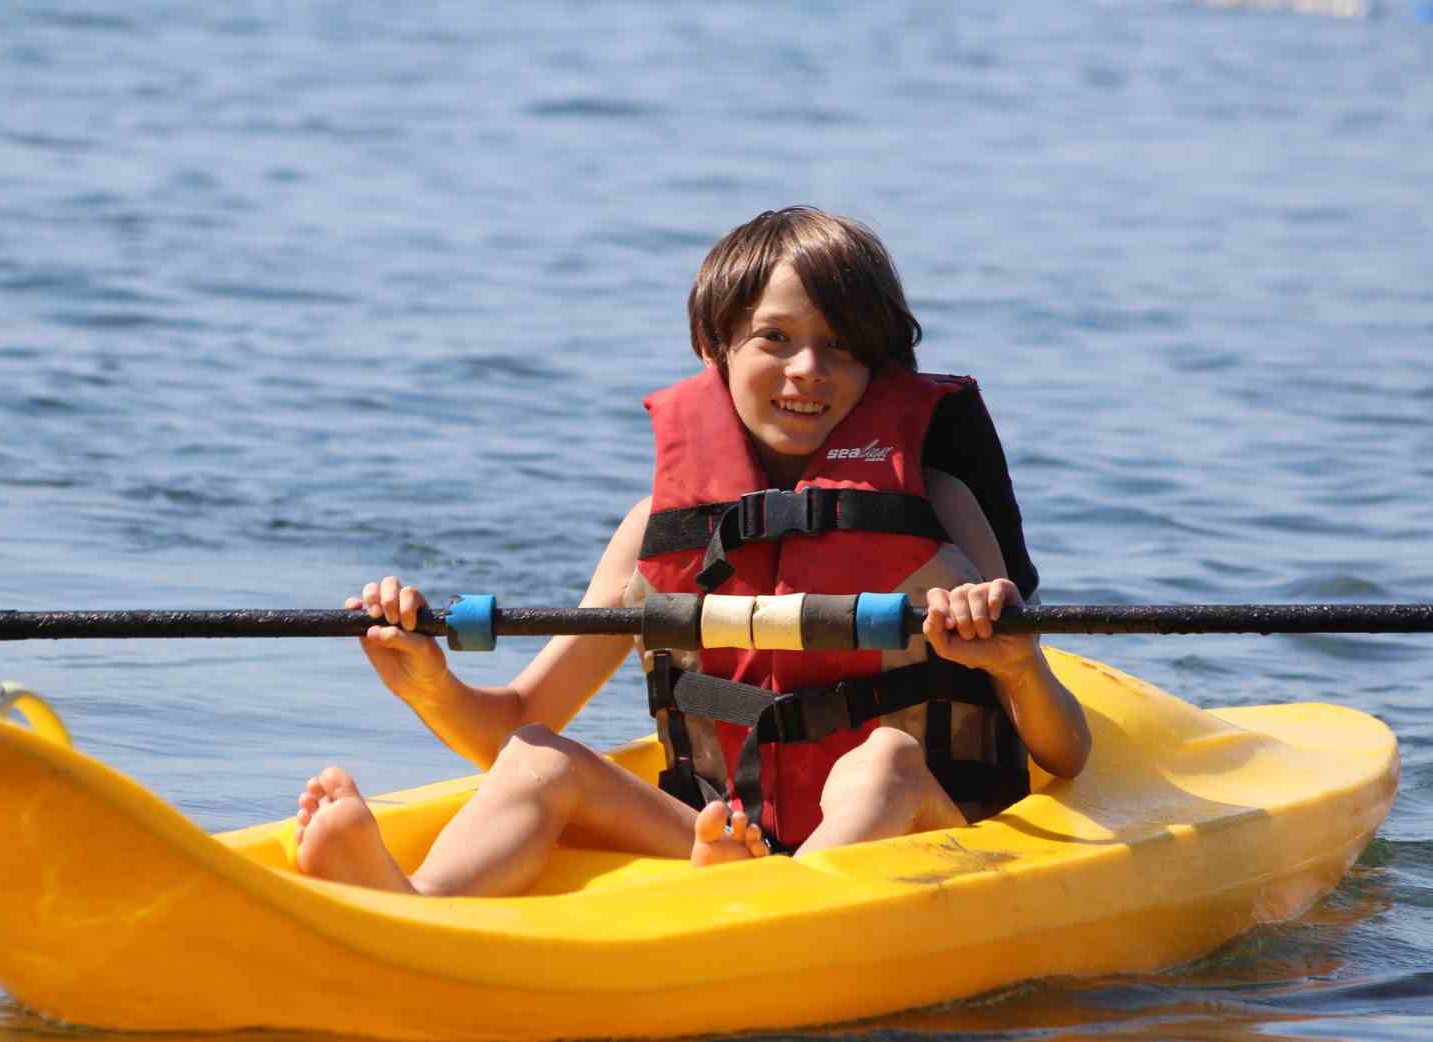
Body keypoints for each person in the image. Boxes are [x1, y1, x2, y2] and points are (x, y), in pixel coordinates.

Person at [294, 207, 1090, 895]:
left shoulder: (937, 508)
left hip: (922, 829)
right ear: (717, 346)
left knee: (883, 759)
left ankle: (771, 903)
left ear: (879, 366)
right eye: (774, 339)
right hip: (722, 830)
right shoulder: (658, 531)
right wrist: (430, 685)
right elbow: (514, 723)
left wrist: (1014, 663)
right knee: (539, 757)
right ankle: (417, 899)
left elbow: (1066, 749)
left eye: (841, 347)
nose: (807, 371)